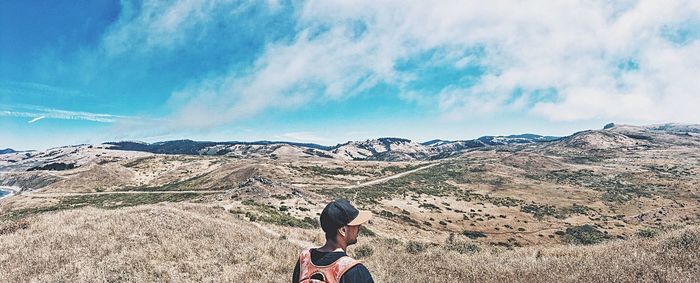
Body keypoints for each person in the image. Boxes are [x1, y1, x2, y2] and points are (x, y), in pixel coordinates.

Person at [292, 199, 374, 283]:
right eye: (356, 225)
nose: (359, 228)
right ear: (343, 230)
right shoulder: (355, 271)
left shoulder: (304, 260)